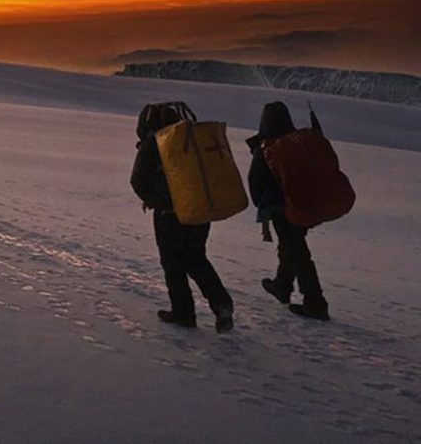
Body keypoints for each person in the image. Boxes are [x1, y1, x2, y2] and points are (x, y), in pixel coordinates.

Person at [130, 103, 234, 333]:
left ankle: (183, 312)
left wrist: (156, 200)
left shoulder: (155, 142)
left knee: (173, 264)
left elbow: (138, 180)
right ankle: (222, 304)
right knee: (196, 258)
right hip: (198, 210)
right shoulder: (190, 139)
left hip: (169, 215)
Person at [247, 101, 330, 321]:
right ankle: (282, 285)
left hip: (281, 208)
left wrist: (265, 206)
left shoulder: (269, 148)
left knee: (298, 252)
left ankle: (315, 302)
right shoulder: (299, 143)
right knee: (292, 246)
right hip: (303, 203)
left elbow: (255, 182)